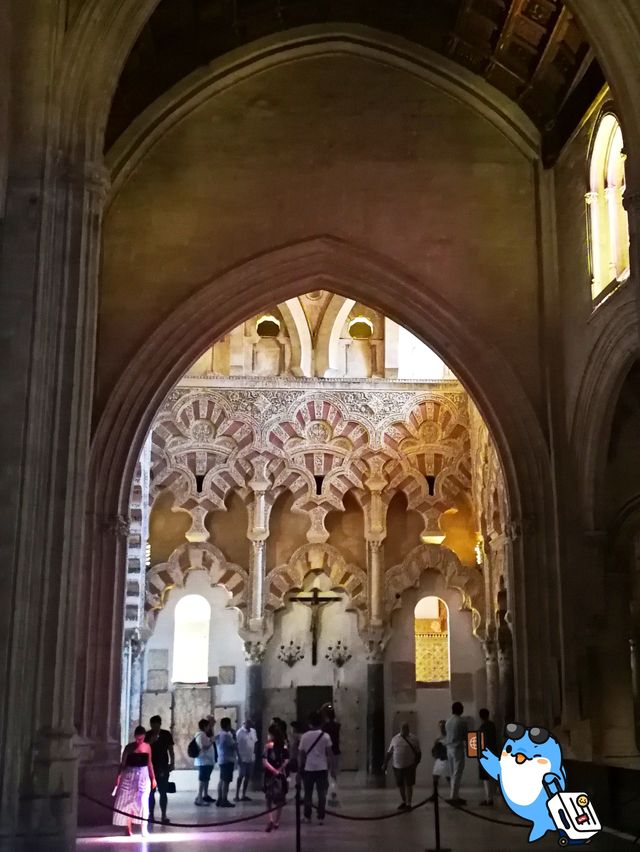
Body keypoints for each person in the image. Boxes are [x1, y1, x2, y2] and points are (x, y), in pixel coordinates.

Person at [113, 725, 156, 837]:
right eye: (137, 739)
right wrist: (118, 776)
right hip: (129, 774)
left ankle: (144, 828)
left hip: (143, 775)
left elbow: (149, 763)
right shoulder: (129, 747)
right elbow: (123, 763)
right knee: (127, 802)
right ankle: (128, 829)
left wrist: (153, 778)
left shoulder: (147, 747)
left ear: (144, 737)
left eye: (140, 739)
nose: (138, 741)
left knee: (142, 802)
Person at [298, 710, 333, 825]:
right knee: (321, 793)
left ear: (309, 723)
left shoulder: (304, 736)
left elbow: (301, 755)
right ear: (321, 723)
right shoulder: (325, 736)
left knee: (308, 793)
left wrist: (300, 769)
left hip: (309, 769)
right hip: (322, 768)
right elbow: (330, 754)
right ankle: (320, 817)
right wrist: (331, 768)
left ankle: (307, 816)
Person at [383, 721, 421, 810]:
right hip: (397, 766)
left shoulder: (414, 739)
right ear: (400, 729)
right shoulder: (395, 739)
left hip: (410, 765)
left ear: (409, 728)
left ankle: (409, 803)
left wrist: (416, 764)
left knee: (409, 784)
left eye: (406, 728)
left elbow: (418, 753)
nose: (405, 730)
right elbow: (389, 752)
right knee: (400, 785)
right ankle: (404, 801)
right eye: (403, 728)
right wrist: (385, 763)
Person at [145, 715, 174, 825]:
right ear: (151, 725)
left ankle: (163, 815)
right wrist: (151, 742)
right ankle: (151, 814)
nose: (155, 728)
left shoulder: (166, 734)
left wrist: (172, 763)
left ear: (160, 724)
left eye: (157, 725)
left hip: (163, 766)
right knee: (150, 793)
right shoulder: (147, 735)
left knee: (163, 792)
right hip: (151, 767)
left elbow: (170, 749)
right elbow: (144, 748)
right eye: (153, 725)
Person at [263, 723, 290, 832]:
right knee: (280, 800)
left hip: (270, 775)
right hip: (280, 775)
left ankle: (270, 819)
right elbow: (287, 760)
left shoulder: (268, 746)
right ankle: (277, 821)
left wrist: (273, 771)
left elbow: (264, 761)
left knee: (269, 799)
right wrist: (279, 770)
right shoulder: (284, 745)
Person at [445, 701, 468, 805]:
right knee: (457, 773)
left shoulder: (448, 721)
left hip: (449, 748)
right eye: (462, 708)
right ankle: (454, 797)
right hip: (457, 748)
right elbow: (465, 736)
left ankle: (454, 795)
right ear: (459, 709)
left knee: (452, 772)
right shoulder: (461, 721)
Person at [321, 703, 341, 806]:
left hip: (326, 753)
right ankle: (333, 796)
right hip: (336, 752)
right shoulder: (337, 725)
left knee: (325, 775)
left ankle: (325, 795)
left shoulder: (324, 727)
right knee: (334, 775)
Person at [478, 708, 498, 806]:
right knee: (493, 776)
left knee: (485, 778)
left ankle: (489, 799)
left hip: (485, 754)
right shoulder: (492, 725)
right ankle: (492, 796)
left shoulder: (482, 727)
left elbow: (481, 742)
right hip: (493, 752)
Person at [194, 718, 216, 806]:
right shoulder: (200, 735)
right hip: (203, 761)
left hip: (207, 761)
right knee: (202, 779)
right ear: (204, 726)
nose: (209, 727)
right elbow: (203, 747)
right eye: (208, 726)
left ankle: (205, 795)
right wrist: (211, 741)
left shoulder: (204, 734)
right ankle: (199, 797)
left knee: (206, 779)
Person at [215, 717, 237, 807]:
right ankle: (224, 799)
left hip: (221, 759)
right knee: (226, 781)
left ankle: (219, 798)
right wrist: (234, 735)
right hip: (228, 759)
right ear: (228, 725)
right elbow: (234, 746)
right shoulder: (227, 735)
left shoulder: (219, 734)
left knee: (221, 780)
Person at [235, 717, 258, 802]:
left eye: (250, 724)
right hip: (242, 758)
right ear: (244, 724)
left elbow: (255, 743)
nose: (249, 725)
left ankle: (243, 794)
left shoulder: (253, 731)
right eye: (247, 723)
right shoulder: (239, 733)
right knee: (241, 776)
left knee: (248, 776)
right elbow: (236, 746)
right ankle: (237, 794)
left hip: (251, 757)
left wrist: (254, 753)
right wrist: (238, 757)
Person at [427, 720, 449, 802]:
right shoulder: (438, 738)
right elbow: (434, 750)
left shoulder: (449, 737)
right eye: (440, 726)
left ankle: (454, 795)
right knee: (435, 777)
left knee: (449, 778)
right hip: (439, 760)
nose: (442, 728)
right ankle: (434, 794)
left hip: (447, 760)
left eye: (443, 726)